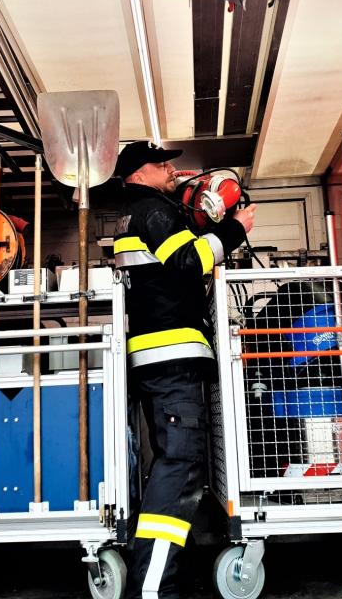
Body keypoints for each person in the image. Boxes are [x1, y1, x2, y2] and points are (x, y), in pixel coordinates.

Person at [113, 141, 255, 599]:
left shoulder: (140, 213)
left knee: (175, 466)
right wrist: (234, 230)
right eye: (161, 164)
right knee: (178, 467)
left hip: (161, 360)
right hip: (171, 357)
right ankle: (154, 586)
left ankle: (164, 571)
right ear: (138, 173)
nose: (171, 170)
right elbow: (188, 263)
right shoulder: (153, 211)